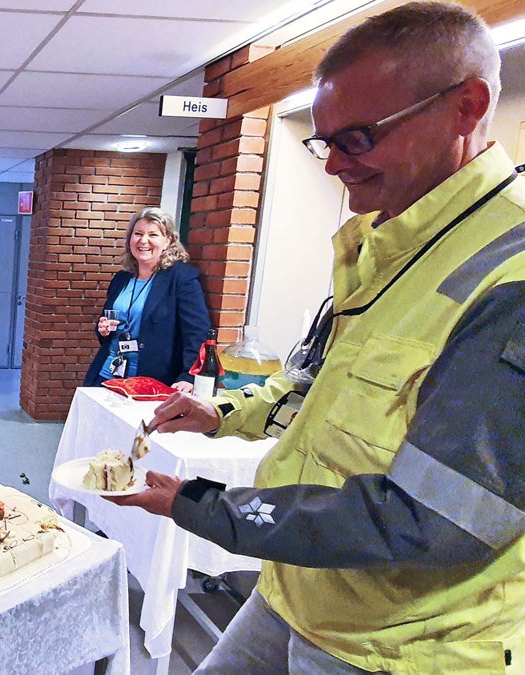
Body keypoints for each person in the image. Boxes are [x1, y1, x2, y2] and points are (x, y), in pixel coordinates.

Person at [111, 4, 525, 672]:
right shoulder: (386, 245)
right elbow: (312, 382)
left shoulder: (509, 276)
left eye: (356, 138)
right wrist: (224, 413)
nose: (333, 165)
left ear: (465, 107)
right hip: (300, 588)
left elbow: (430, 521)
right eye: (323, 140)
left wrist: (210, 508)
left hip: (399, 642)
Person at [82, 207, 209, 391]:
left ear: (168, 241)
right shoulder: (122, 279)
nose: (143, 241)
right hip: (108, 373)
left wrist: (189, 376)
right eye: (138, 234)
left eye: (153, 235)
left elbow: (197, 332)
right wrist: (103, 330)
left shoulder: (181, 278)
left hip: (152, 378)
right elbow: (110, 327)